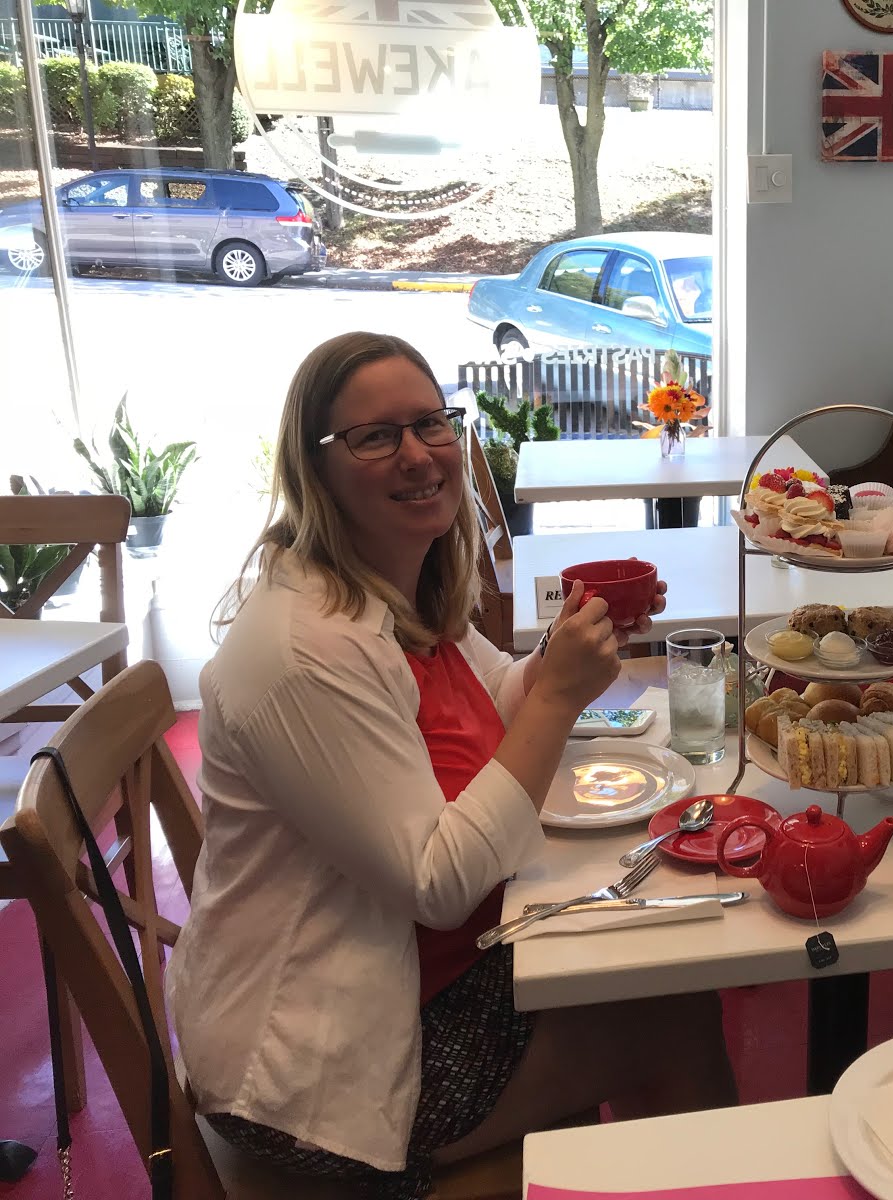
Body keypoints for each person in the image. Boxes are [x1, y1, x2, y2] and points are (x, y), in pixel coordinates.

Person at [169, 332, 738, 1198]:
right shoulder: (305, 651)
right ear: (316, 470)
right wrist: (558, 697)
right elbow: (436, 882)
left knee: (655, 961)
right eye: (375, 436)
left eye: (430, 423)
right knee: (675, 1015)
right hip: (317, 1068)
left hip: (413, 977)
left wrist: (556, 660)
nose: (417, 454)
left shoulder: (389, 586)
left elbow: (489, 699)